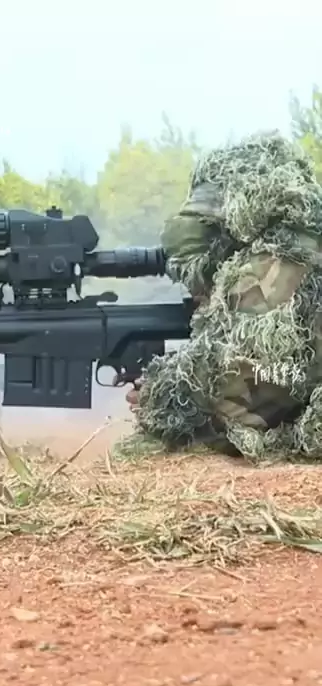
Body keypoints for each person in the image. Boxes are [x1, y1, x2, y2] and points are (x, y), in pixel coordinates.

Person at [123, 131, 322, 462]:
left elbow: (246, 410)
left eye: (199, 285)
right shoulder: (298, 244)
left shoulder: (284, 264)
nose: (199, 298)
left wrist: (162, 397)